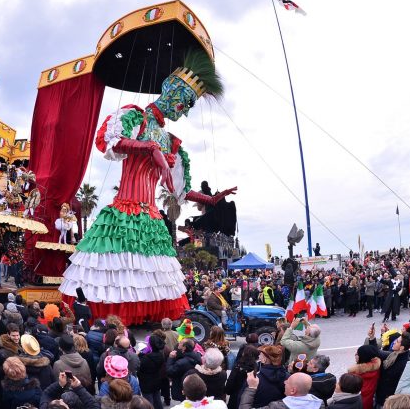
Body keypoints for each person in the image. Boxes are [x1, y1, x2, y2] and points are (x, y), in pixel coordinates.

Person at [59, 53, 234, 325]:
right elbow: (110, 141)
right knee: (117, 270)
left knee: (144, 274)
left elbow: (180, 191)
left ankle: (142, 318)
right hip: (124, 209)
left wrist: (213, 199)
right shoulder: (134, 118)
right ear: (171, 91)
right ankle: (104, 319)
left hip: (150, 217)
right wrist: (149, 147)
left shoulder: (170, 142)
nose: (185, 110)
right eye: (186, 102)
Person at [240, 371, 324, 409]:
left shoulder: (277, 407)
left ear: (293, 391)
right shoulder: (319, 404)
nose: (284, 382)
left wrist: (252, 388)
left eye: (288, 382)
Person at [347, 345, 381, 409]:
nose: (355, 355)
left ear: (362, 357)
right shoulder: (376, 368)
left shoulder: (354, 373)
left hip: (356, 404)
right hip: (368, 403)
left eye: (357, 354)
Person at [138, 334, 166, 409]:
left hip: (146, 383)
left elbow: (139, 368)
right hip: (156, 380)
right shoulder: (160, 355)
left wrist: (139, 355)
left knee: (148, 403)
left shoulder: (145, 359)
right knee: (157, 399)